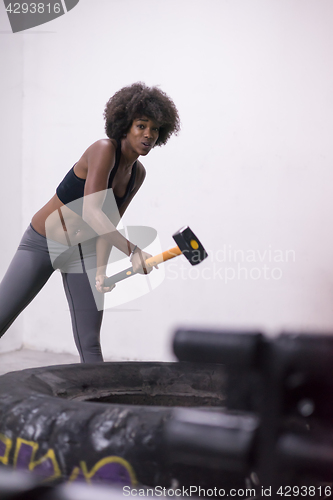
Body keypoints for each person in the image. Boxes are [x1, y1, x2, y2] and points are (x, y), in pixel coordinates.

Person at [0, 82, 180, 363]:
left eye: (155, 129)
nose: (148, 135)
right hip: (43, 243)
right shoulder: (103, 149)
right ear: (125, 126)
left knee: (90, 346)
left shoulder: (138, 174)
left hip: (82, 254)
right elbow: (94, 211)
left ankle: (97, 408)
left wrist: (99, 272)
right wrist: (133, 251)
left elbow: (108, 223)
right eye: (141, 126)